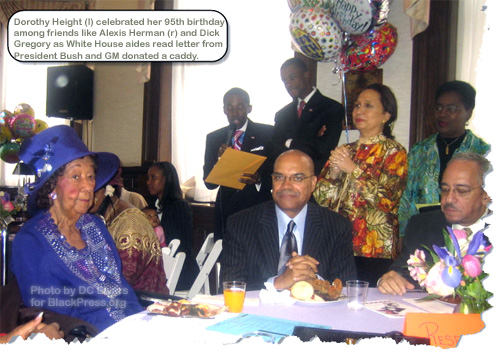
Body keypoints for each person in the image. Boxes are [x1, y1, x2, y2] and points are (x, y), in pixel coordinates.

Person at [11, 125, 143, 333]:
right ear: (52, 186)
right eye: (76, 176)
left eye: (90, 177)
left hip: (132, 329)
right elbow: (50, 314)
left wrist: (143, 323)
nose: (88, 186)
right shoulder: (30, 241)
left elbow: (121, 289)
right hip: (85, 339)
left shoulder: (96, 225)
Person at [313, 84, 408, 287]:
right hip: (338, 243)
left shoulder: (393, 151)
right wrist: (334, 173)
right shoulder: (345, 149)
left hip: (374, 247)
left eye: (368, 106)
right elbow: (321, 199)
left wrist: (352, 169)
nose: (359, 111)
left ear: (386, 115)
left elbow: (387, 201)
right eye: (357, 105)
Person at [221, 149, 356, 291]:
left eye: (297, 178)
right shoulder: (241, 224)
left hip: (316, 312)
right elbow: (230, 287)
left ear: (313, 183)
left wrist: (313, 281)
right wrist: (277, 283)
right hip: (261, 312)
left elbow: (346, 287)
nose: (286, 186)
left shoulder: (336, 226)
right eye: (279, 178)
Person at [378, 152, 491, 295]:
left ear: (486, 195)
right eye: (444, 190)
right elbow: (401, 273)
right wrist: (390, 280)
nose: (449, 199)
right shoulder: (421, 225)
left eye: (461, 191)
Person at [398, 81, 490, 238]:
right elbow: (407, 197)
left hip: (466, 233)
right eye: (439, 108)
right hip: (423, 232)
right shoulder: (419, 151)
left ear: (468, 112)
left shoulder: (482, 151)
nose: (442, 114)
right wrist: (403, 234)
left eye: (451, 109)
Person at [203, 87, 274, 240]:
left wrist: (259, 179)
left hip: (258, 206)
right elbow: (209, 184)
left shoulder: (267, 133)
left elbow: (276, 170)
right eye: (230, 107)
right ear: (224, 110)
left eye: (240, 107)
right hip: (227, 210)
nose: (234, 112)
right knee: (228, 258)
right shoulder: (214, 138)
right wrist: (218, 161)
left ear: (249, 108)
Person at [89, 181, 168, 294]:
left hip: (140, 304)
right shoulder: (98, 216)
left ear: (101, 192)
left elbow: (125, 277)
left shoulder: (130, 223)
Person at [270, 57, 345, 175]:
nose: (288, 84)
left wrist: (288, 142)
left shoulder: (332, 108)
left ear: (306, 75)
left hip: (315, 180)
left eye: (292, 78)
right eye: (284, 81)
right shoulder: (282, 115)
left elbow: (322, 150)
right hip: (287, 178)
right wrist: (310, 140)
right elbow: (274, 151)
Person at [147, 161, 197, 290]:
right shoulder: (153, 207)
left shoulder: (179, 206)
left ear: (167, 179)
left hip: (180, 270)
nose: (148, 182)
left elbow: (181, 243)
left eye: (153, 177)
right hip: (162, 265)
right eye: (148, 178)